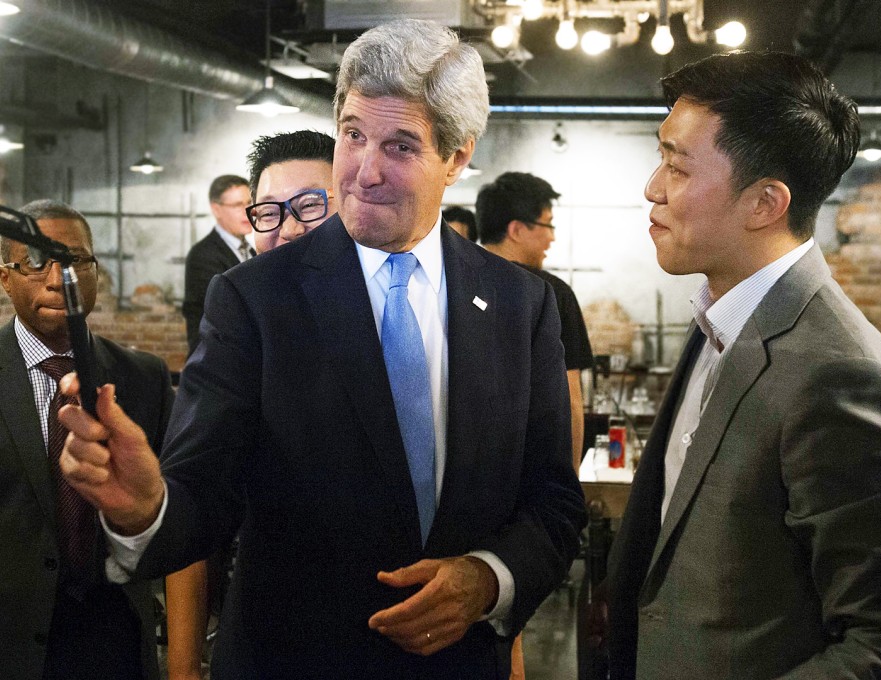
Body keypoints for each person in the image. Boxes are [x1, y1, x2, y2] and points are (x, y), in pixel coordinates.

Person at [59, 18, 585, 680]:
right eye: (354, 135)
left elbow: (553, 501)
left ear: (457, 157)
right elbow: (205, 494)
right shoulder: (254, 299)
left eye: (399, 145)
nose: (363, 172)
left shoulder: (519, 303)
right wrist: (146, 509)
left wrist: (487, 578)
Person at [602, 51, 881, 679]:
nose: (652, 187)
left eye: (677, 166)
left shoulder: (840, 374)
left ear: (764, 203)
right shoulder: (722, 315)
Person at [163, 129, 337, 680]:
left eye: (310, 206)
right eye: (268, 212)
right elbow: (196, 493)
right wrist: (185, 665)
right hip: (273, 638)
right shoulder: (240, 325)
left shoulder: (410, 319)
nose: (287, 230)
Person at [0, 199, 174, 679]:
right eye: (35, 262)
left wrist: (183, 663)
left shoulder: (144, 378)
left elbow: (179, 516)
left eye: (76, 260)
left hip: (115, 639)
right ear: (5, 277)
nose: (59, 279)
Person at [477, 171, 594, 473]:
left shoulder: (449, 283)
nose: (552, 237)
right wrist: (569, 491)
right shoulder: (550, 294)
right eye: (548, 224)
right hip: (532, 479)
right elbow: (568, 403)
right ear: (516, 229)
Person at [182, 175, 253, 354]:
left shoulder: (250, 250)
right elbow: (225, 315)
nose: (248, 210)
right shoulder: (203, 255)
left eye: (249, 202)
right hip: (215, 359)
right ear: (216, 209)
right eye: (237, 205)